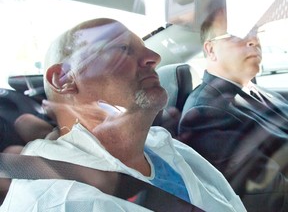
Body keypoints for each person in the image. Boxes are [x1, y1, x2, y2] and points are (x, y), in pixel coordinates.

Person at [0, 18, 246, 211]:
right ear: (64, 79)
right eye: (122, 49)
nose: (155, 58)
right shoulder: (54, 202)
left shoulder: (168, 148)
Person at [178, 7, 288, 211]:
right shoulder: (205, 115)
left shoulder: (256, 90)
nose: (254, 40)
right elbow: (268, 195)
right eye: (239, 34)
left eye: (255, 32)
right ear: (211, 50)